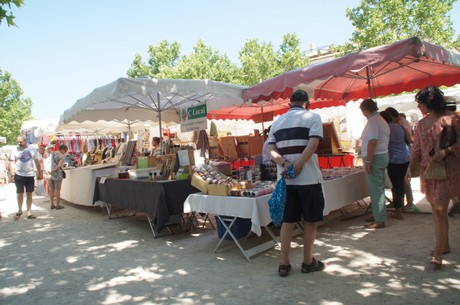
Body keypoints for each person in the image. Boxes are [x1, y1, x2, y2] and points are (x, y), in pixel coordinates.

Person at [266, 89, 325, 277]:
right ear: (307, 103)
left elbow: (271, 149)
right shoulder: (313, 117)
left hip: (286, 182)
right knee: (310, 221)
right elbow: (313, 144)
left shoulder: (277, 122)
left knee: (288, 221)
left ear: (290, 104)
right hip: (309, 179)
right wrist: (298, 165)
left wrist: (285, 164)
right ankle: (308, 262)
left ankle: (284, 263)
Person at [408, 86, 460, 267]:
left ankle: (438, 253)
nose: (418, 107)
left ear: (429, 103)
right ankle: (444, 245)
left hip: (448, 172)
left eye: (420, 103)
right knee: (438, 212)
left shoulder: (452, 120)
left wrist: (446, 152)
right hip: (428, 172)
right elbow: (416, 148)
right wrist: (410, 167)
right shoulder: (421, 124)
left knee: (439, 211)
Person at [359, 99, 390, 229]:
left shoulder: (372, 121)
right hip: (382, 155)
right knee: (379, 187)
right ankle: (378, 213)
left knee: (376, 188)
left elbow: (372, 142)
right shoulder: (380, 119)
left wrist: (369, 161)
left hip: (376, 157)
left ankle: (379, 219)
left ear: (365, 110)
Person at [380, 110, 410, 219]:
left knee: (395, 186)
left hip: (394, 159)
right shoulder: (399, 126)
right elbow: (407, 140)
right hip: (404, 157)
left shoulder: (386, 129)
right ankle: (400, 206)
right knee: (400, 184)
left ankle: (398, 211)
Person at [9, 135, 43, 220]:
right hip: (19, 174)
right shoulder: (15, 149)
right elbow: (12, 162)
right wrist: (12, 173)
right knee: (20, 193)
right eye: (18, 141)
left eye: (20, 141)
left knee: (29, 193)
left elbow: (37, 161)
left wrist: (39, 172)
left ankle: (29, 212)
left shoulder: (32, 149)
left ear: (25, 141)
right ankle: (20, 210)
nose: (19, 143)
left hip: (30, 174)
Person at [45, 144, 68, 210]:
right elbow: (59, 166)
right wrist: (53, 170)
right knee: (57, 189)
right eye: (65, 151)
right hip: (57, 174)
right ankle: (58, 204)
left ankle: (52, 204)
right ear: (63, 149)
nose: (65, 152)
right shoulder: (61, 156)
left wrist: (49, 171)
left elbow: (47, 162)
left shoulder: (52, 154)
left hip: (50, 174)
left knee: (51, 189)